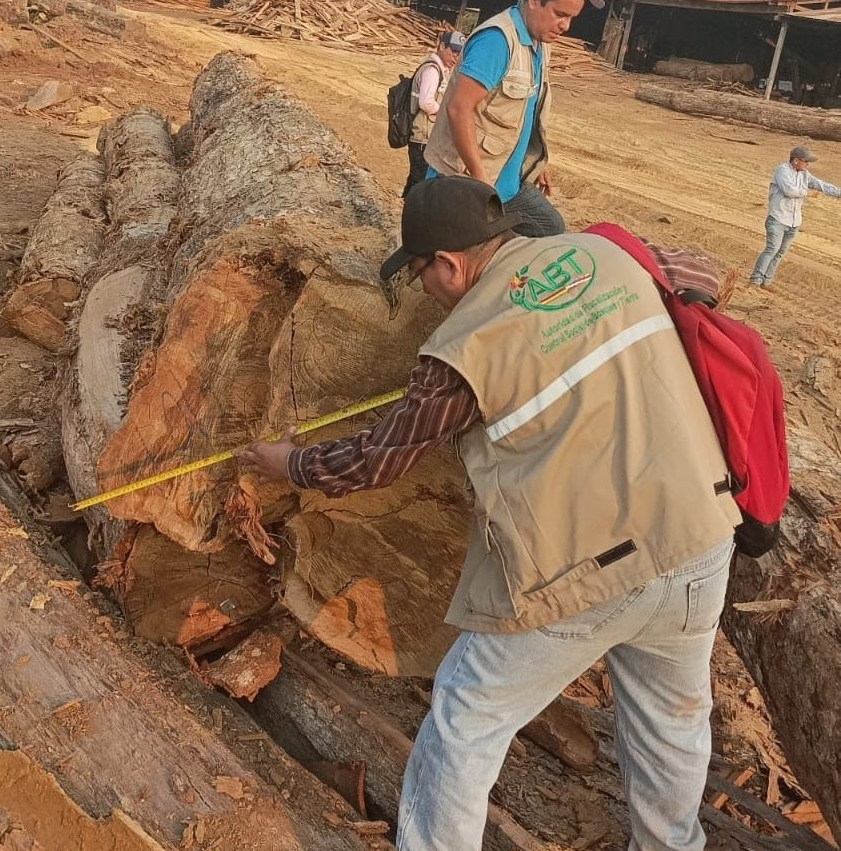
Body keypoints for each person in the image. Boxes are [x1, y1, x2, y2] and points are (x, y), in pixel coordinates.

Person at [237, 176, 740, 851]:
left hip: (584, 569)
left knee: (467, 714)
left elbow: (378, 461)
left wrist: (287, 464)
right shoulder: (611, 255)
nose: (426, 294)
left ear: (447, 262)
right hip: (698, 539)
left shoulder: (466, 343)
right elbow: (699, 271)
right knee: (671, 727)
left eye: (420, 276)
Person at [423, 0, 604, 238]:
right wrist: (482, 184)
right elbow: (458, 108)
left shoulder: (539, 43)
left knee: (549, 228)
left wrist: (533, 160)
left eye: (571, 17)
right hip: (467, 182)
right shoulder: (497, 42)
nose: (565, 26)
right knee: (456, 257)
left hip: (506, 183)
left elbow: (524, 110)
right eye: (559, 14)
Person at [750, 144, 840, 287]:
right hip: (778, 218)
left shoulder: (804, 174)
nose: (808, 164)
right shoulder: (782, 170)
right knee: (772, 249)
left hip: (794, 222)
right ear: (796, 160)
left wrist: (838, 193)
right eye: (806, 161)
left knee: (780, 252)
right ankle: (755, 280)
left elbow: (821, 185)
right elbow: (789, 191)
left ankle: (766, 281)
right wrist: (808, 193)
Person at [402, 30, 466, 198]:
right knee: (420, 181)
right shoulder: (432, 70)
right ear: (442, 46)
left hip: (425, 134)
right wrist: (445, 112)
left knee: (416, 178)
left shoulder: (440, 70)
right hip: (422, 135)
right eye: (453, 52)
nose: (455, 57)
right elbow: (426, 102)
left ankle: (402, 207)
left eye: (459, 54)